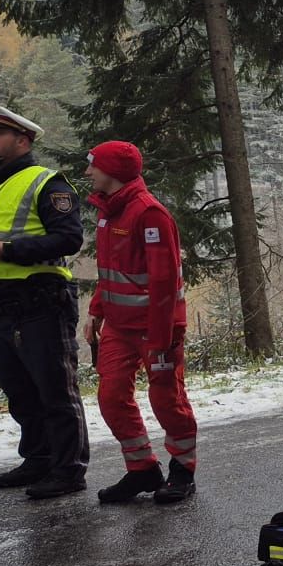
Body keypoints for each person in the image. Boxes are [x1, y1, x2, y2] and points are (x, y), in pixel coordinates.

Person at [0, 104, 89, 499]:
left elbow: (69, 238)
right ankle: (37, 459)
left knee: (55, 392)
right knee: (21, 393)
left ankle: (68, 469)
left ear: (22, 140)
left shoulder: (47, 183)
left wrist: (10, 250)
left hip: (39, 305)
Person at [85, 141, 197, 504]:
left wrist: (162, 337)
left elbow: (164, 282)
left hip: (156, 328)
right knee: (111, 396)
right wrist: (96, 311)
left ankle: (182, 469)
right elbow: (109, 271)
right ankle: (142, 469)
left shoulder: (150, 214)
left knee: (167, 398)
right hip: (118, 325)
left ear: (113, 172)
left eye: (94, 166)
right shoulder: (107, 211)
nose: (88, 173)